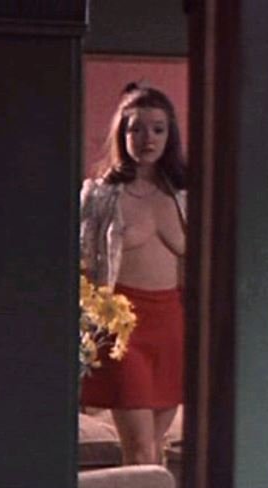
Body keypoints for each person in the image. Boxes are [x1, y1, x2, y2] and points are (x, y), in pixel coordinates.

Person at [80, 83, 187, 465]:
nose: (147, 139)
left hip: (173, 325)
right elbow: (81, 265)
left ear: (170, 135)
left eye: (158, 129)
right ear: (122, 135)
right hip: (123, 330)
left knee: (154, 450)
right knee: (140, 449)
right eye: (136, 129)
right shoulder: (101, 195)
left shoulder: (185, 194)